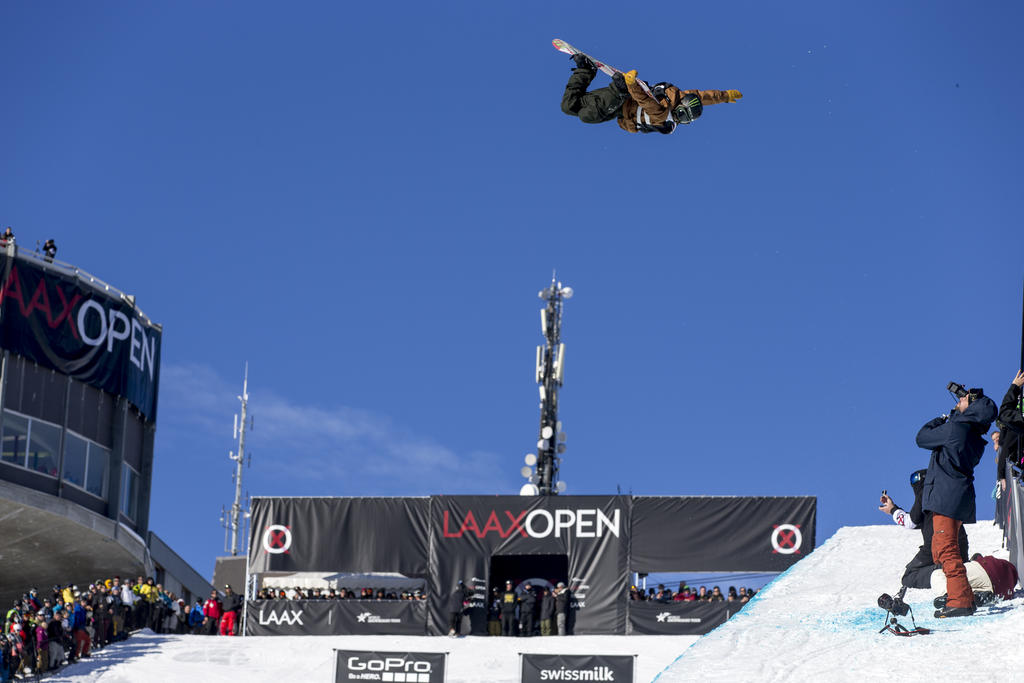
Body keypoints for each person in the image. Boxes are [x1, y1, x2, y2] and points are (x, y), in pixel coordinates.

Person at [916, 383, 997, 618]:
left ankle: (960, 601)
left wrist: (944, 417)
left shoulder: (955, 428)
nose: (959, 400)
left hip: (945, 497)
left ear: (972, 409)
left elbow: (922, 437)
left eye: (964, 400)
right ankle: (965, 597)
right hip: (958, 496)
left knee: (946, 549)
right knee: (944, 547)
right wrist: (958, 413)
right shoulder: (973, 436)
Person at [560, 53, 742, 134]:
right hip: (623, 97)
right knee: (586, 116)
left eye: (684, 120)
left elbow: (702, 98)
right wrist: (725, 96)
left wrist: (630, 85)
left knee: (568, 106)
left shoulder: (668, 117)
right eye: (681, 114)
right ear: (682, 104)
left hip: (622, 108)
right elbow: (704, 96)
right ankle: (618, 89)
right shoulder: (663, 112)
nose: (678, 119)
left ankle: (585, 70)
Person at [878, 468, 969, 588]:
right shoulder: (946, 494)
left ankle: (944, 570)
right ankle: (969, 568)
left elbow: (911, 521)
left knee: (909, 576)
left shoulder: (924, 493)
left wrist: (892, 510)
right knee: (960, 564)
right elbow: (922, 521)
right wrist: (893, 508)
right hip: (961, 543)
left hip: (937, 545)